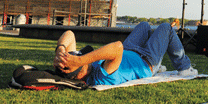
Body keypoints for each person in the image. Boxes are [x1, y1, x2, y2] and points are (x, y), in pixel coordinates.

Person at [53, 21, 195, 85]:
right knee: (166, 28)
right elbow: (117, 47)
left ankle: (163, 65)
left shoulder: (75, 65)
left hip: (131, 51)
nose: (82, 59)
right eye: (81, 64)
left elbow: (69, 34)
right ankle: (185, 67)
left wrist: (60, 50)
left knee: (144, 25)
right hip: (146, 62)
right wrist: (81, 60)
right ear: (80, 75)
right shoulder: (100, 77)